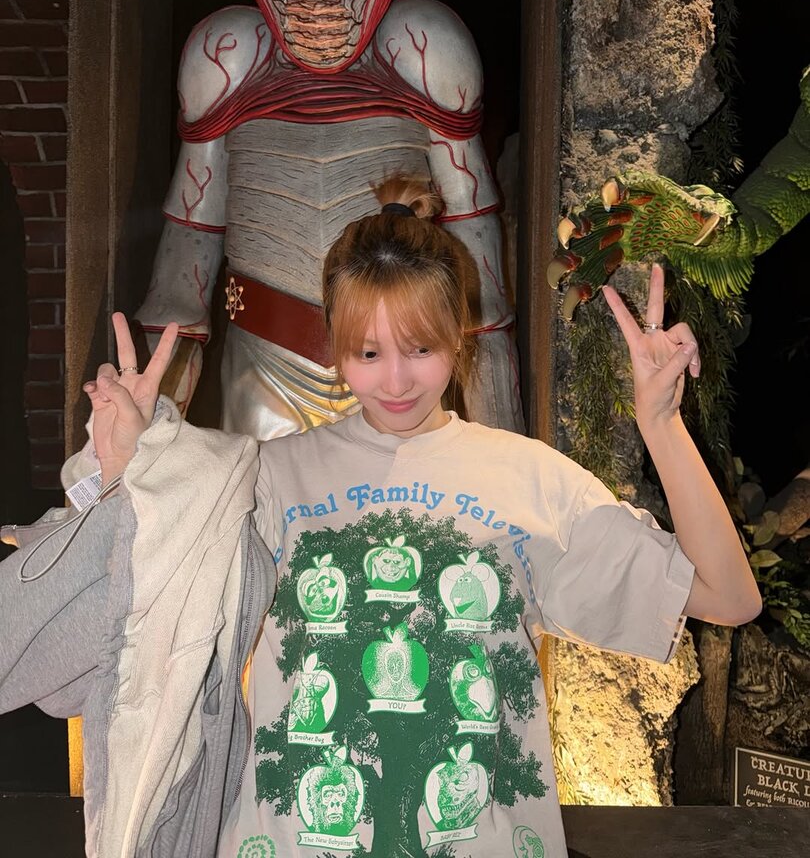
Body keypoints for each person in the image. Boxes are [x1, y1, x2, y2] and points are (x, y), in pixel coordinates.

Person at [0, 177, 760, 858]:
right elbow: (125, 609)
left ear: (459, 334)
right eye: (367, 353)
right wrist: (127, 473)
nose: (395, 380)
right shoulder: (262, 477)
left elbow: (728, 597)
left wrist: (663, 426)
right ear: (335, 350)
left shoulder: (529, 479)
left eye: (419, 348)